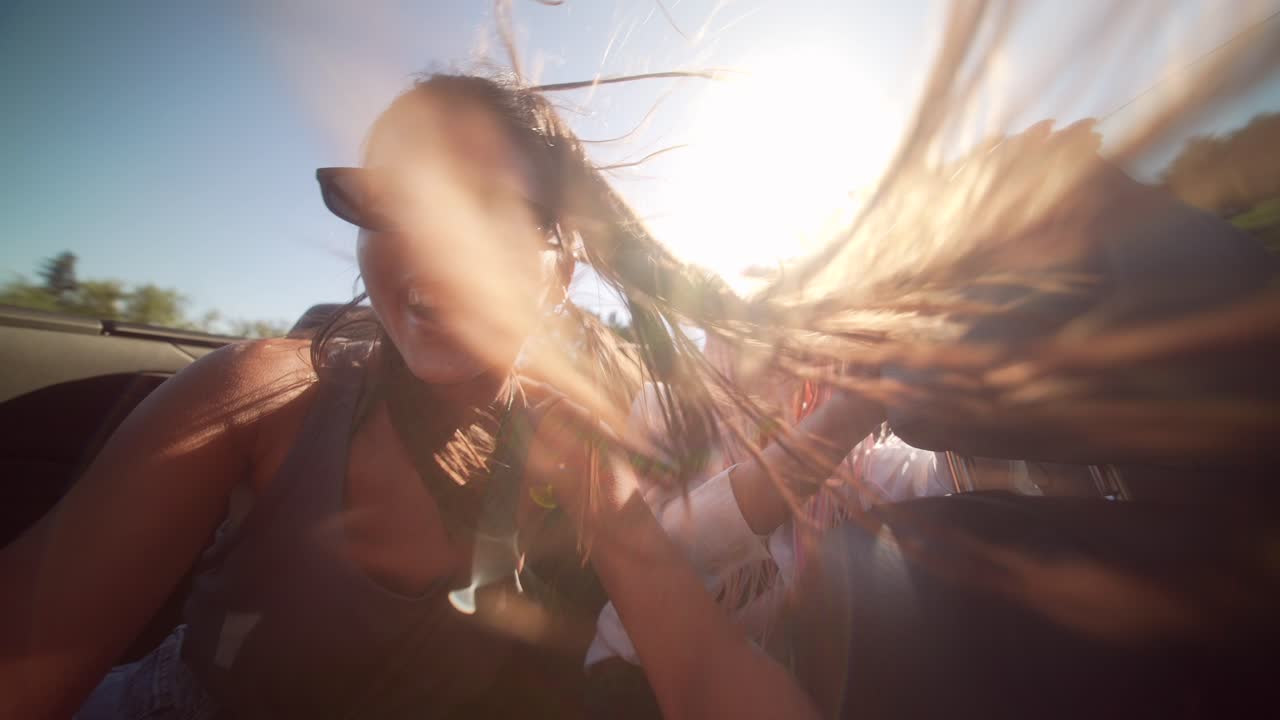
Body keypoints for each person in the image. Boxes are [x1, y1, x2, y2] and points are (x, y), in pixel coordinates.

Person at [0, 73, 826, 720]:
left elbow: (704, 671)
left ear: (560, 275)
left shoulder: (570, 449)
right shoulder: (263, 395)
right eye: (390, 200)